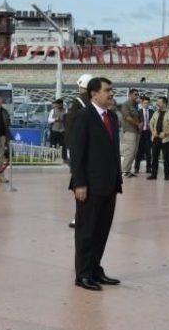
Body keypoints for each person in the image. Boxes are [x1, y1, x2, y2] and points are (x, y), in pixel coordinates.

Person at [70, 77, 122, 291]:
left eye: (111, 90)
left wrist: (117, 180)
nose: (111, 94)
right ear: (94, 94)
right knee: (86, 231)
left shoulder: (111, 117)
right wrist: (79, 183)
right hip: (89, 186)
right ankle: (82, 274)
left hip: (109, 185)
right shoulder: (84, 116)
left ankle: (94, 269)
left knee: (101, 230)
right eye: (107, 90)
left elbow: (112, 152)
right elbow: (77, 152)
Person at [65, 74, 93, 229]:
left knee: (79, 184)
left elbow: (70, 126)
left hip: (80, 150)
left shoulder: (78, 102)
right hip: (94, 151)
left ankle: (79, 217)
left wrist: (69, 148)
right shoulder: (98, 103)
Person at [148, 97, 169, 181]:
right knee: (154, 157)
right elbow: (151, 123)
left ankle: (167, 175)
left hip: (166, 139)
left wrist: (166, 133)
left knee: (166, 158)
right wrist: (153, 132)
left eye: (159, 102)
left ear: (164, 103)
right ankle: (153, 174)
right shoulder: (156, 113)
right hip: (156, 138)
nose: (157, 104)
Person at [120, 89, 140, 177]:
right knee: (129, 151)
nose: (137, 96)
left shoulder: (135, 105)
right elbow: (127, 117)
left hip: (136, 131)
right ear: (130, 95)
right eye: (135, 94)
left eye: (137, 95)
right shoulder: (125, 105)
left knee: (134, 152)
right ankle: (124, 171)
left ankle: (128, 170)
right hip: (129, 131)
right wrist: (137, 124)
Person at [134, 96, 153, 174]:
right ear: (142, 103)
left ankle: (148, 168)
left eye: (147, 103)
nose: (146, 104)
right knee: (139, 151)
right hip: (141, 133)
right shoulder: (139, 112)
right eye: (145, 103)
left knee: (148, 151)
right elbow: (136, 121)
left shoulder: (152, 111)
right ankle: (136, 168)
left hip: (148, 133)